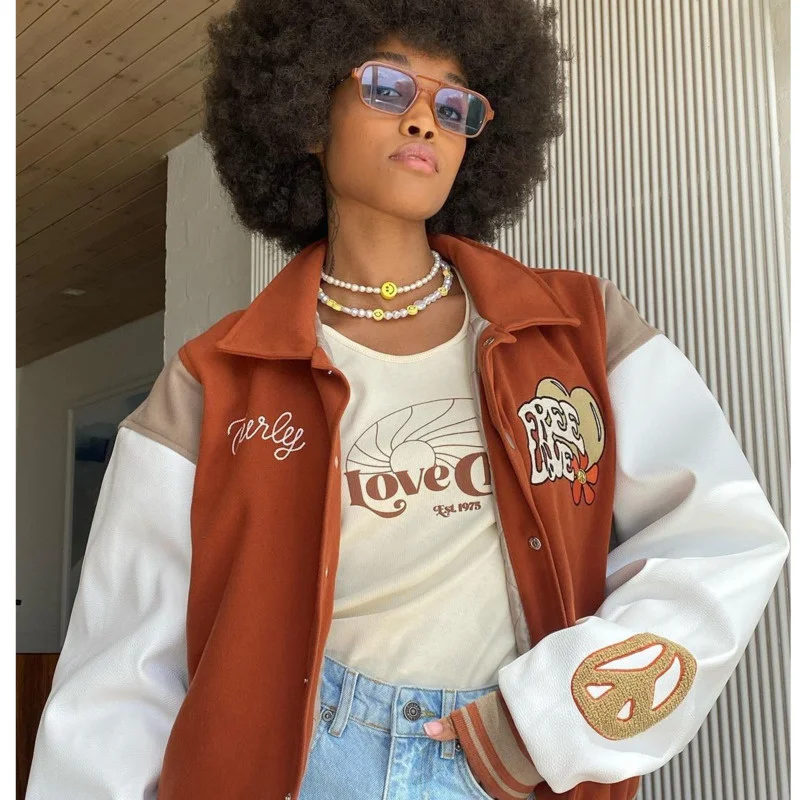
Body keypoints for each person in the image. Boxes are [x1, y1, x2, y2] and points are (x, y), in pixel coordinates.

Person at [26, 1, 790, 799]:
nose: (426, 119)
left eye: (454, 104)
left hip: (510, 766)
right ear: (306, 113)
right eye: (388, 87)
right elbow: (119, 679)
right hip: (302, 769)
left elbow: (719, 538)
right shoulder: (211, 382)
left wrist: (546, 721)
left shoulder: (577, 329)